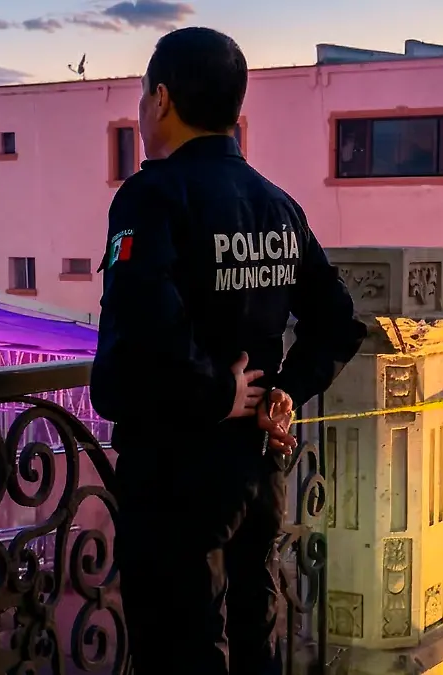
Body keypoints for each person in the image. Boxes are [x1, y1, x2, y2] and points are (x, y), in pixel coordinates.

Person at [89, 28, 367, 675]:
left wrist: (216, 390)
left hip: (175, 469)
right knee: (252, 633)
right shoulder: (278, 205)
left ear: (161, 99)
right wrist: (286, 390)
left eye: (142, 96)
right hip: (256, 469)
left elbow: (146, 326)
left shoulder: (151, 194)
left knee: (180, 645)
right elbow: (337, 320)